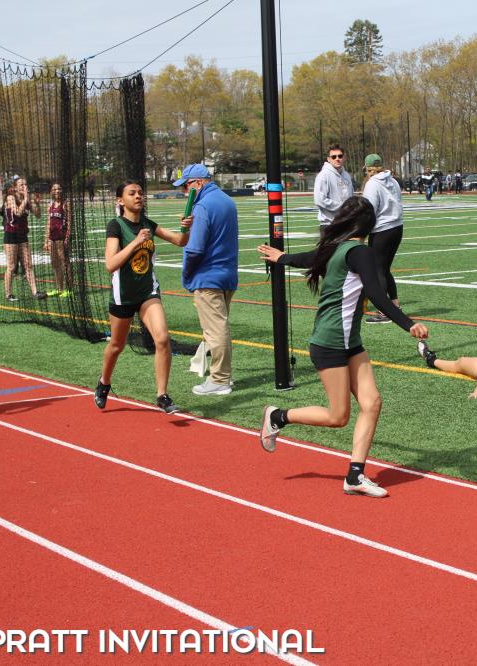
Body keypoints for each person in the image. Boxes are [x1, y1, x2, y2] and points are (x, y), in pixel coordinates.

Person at [256, 196, 429, 498]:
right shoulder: (359, 251)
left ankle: (355, 475)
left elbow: (309, 258)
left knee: (372, 403)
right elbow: (376, 293)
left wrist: (282, 257)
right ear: (370, 225)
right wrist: (408, 324)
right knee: (338, 417)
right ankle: (278, 416)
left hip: (351, 342)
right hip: (330, 342)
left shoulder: (337, 248)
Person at [94, 180, 190, 415]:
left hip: (148, 291)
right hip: (123, 295)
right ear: (120, 200)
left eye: (140, 193)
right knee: (116, 346)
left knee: (163, 339)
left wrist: (187, 227)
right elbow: (110, 264)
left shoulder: (148, 224)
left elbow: (180, 241)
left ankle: (162, 395)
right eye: (132, 193)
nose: (138, 196)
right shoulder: (116, 226)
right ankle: (104, 382)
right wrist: (136, 242)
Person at [174, 164, 239, 396]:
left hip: (207, 276)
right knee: (218, 327)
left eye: (186, 186)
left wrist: (187, 274)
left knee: (215, 330)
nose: (184, 192)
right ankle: (221, 375)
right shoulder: (227, 201)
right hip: (227, 273)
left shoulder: (202, 205)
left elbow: (195, 249)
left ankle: (220, 379)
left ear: (198, 183)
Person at [361, 154, 404, 324]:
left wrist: (362, 231)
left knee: (378, 270)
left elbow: (369, 210)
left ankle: (385, 311)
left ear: (368, 168)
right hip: (397, 227)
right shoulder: (393, 180)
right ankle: (394, 306)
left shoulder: (372, 183)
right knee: (385, 269)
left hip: (382, 230)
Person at [2, 178, 46, 301]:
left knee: (28, 265)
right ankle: (8, 294)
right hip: (11, 236)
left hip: (22, 235)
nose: (24, 186)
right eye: (21, 184)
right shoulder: (11, 198)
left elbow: (38, 215)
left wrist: (36, 203)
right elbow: (17, 213)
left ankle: (35, 292)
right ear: (15, 187)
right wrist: (26, 199)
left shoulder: (26, 199)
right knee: (12, 266)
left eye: (25, 184)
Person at [313, 143, 353, 233]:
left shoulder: (346, 175)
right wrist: (343, 207)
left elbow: (350, 197)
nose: (337, 159)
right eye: (334, 157)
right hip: (329, 225)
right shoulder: (323, 175)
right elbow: (319, 200)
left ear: (344, 157)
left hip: (346, 223)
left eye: (340, 156)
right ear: (328, 159)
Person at [43, 183, 72, 297]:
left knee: (65, 263)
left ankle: (69, 289)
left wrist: (67, 237)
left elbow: (69, 222)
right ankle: (59, 288)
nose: (57, 191)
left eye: (59, 188)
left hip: (61, 237)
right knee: (55, 264)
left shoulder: (65, 204)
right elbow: (48, 223)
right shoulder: (50, 205)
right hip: (52, 238)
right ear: (51, 191)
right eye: (54, 189)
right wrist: (46, 240)